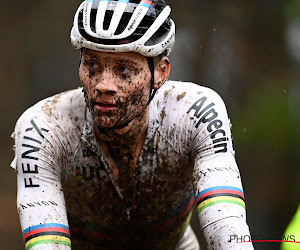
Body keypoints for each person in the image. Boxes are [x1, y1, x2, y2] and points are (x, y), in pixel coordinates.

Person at [11, 0, 254, 249]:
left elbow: (228, 232)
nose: (103, 84)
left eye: (124, 69)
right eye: (92, 65)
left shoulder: (195, 113)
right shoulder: (43, 128)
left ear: (160, 72)